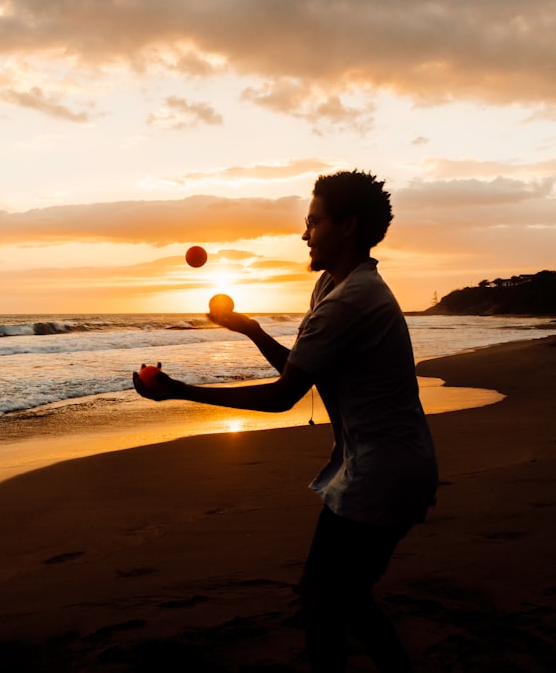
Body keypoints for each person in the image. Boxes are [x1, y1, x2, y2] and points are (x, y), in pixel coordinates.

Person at [133, 169, 437, 673]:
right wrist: (251, 330)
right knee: (345, 598)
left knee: (324, 600)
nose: (304, 233)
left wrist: (178, 392)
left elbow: (282, 398)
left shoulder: (350, 300)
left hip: (384, 473)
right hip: (383, 465)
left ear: (347, 227)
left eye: (314, 222)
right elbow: (306, 372)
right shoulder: (334, 287)